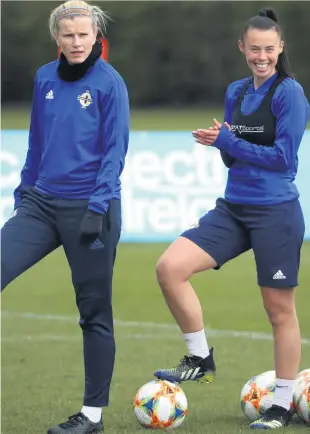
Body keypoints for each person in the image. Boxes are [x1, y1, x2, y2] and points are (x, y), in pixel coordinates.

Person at [153, 8, 310, 430]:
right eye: (254, 49)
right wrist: (219, 141)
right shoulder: (236, 91)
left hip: (276, 211)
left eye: (269, 50)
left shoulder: (289, 93)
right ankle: (200, 357)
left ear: (280, 49)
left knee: (278, 310)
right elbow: (230, 155)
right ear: (242, 47)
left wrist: (229, 140)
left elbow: (284, 160)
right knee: (170, 268)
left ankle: (280, 404)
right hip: (235, 207)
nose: (262, 57)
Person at [1, 1, 129, 433]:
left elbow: (115, 152)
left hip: (92, 209)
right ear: (57, 38)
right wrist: (24, 192)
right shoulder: (43, 78)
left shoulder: (110, 83)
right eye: (68, 35)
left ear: (96, 36)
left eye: (84, 35)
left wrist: (97, 208)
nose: (77, 43)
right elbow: (37, 140)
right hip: (40, 204)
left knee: (93, 312)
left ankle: (91, 417)